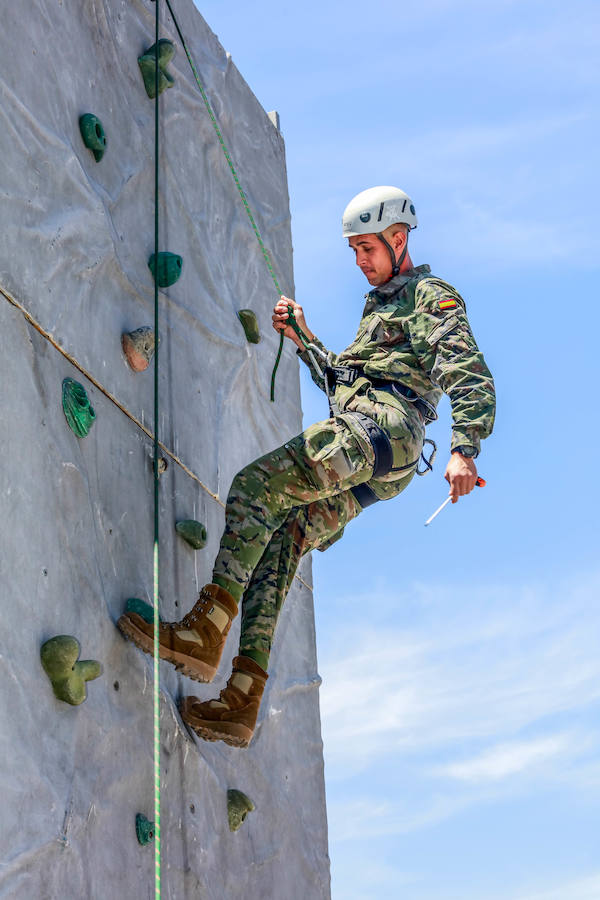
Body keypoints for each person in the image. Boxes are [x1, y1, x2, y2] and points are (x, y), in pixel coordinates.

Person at [118, 186, 496, 748]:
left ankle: (205, 631)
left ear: (399, 239)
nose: (362, 261)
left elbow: (466, 369)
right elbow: (350, 385)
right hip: (381, 452)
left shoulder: (427, 295)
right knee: (282, 538)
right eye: (354, 251)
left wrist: (465, 445)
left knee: (254, 487)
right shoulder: (383, 306)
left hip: (378, 433)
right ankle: (242, 698)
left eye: (369, 248)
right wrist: (305, 340)